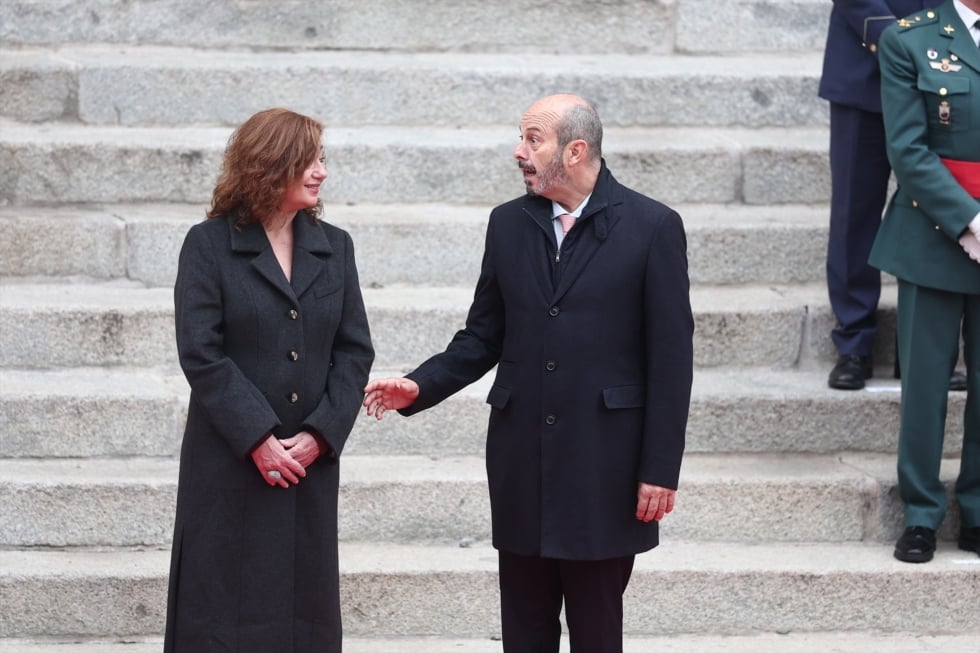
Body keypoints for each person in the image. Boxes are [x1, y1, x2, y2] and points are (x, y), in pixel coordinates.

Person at [363, 94, 694, 652]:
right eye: (522, 137)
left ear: (576, 149)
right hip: (522, 464)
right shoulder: (508, 224)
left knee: (595, 633)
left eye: (533, 139)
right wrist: (420, 385)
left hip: (604, 467)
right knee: (523, 631)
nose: (519, 151)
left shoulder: (652, 226)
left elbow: (671, 359)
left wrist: (659, 468)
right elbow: (483, 335)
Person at [164, 108, 375, 650]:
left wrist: (322, 434)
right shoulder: (208, 244)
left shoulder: (337, 247)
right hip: (230, 461)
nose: (321, 171)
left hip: (305, 465)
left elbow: (354, 351)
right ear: (268, 163)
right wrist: (257, 437)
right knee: (220, 613)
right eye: (308, 159)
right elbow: (201, 352)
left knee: (301, 614)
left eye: (322, 159)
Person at [868, 0, 980, 563]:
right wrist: (970, 219)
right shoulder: (909, 40)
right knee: (926, 385)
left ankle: (979, 508)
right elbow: (908, 149)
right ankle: (921, 512)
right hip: (931, 235)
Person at [817, 0, 968, 391]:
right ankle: (854, 343)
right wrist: (901, 44)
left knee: (933, 209)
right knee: (854, 212)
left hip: (941, 72)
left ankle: (917, 350)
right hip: (863, 69)